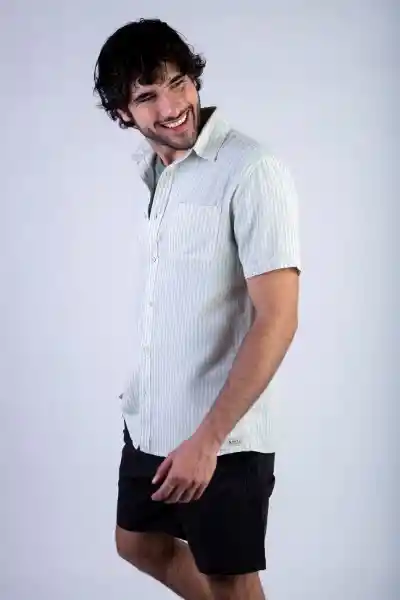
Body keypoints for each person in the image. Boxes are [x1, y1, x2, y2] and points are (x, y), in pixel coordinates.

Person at [93, 18, 301, 600]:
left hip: (222, 438)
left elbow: (278, 318)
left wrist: (207, 441)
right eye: (146, 96)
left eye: (178, 82)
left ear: (195, 79)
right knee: (136, 542)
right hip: (151, 422)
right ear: (122, 113)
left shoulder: (251, 170)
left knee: (229, 581)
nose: (171, 107)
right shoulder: (157, 174)